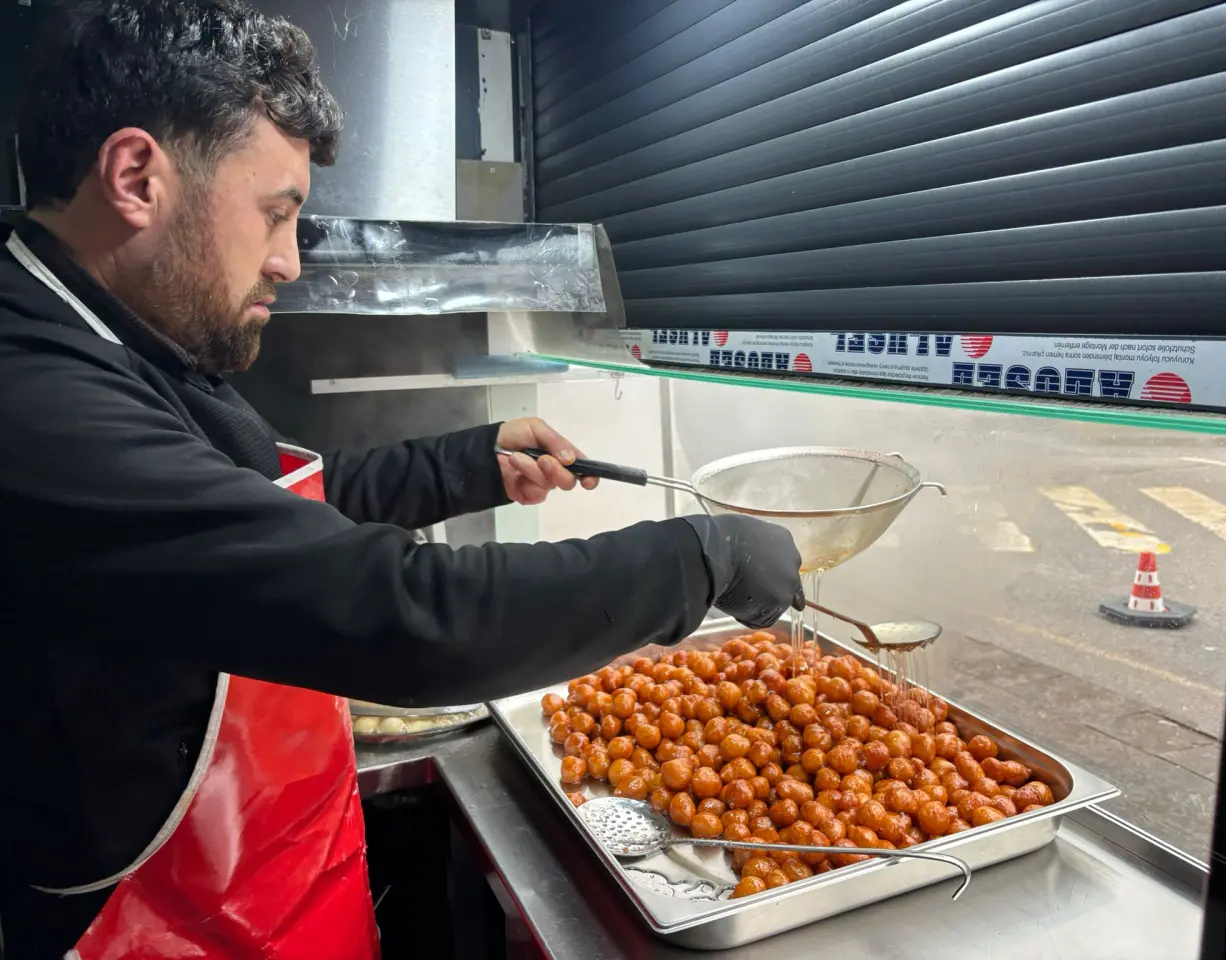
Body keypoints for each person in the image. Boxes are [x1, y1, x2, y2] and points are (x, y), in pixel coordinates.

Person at [0, 2, 803, 957]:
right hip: (145, 928)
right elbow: (395, 612)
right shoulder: (31, 395)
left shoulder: (117, 339)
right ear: (137, 176)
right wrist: (701, 557)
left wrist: (469, 462)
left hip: (264, 888)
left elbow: (277, 503)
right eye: (277, 212)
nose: (288, 261)